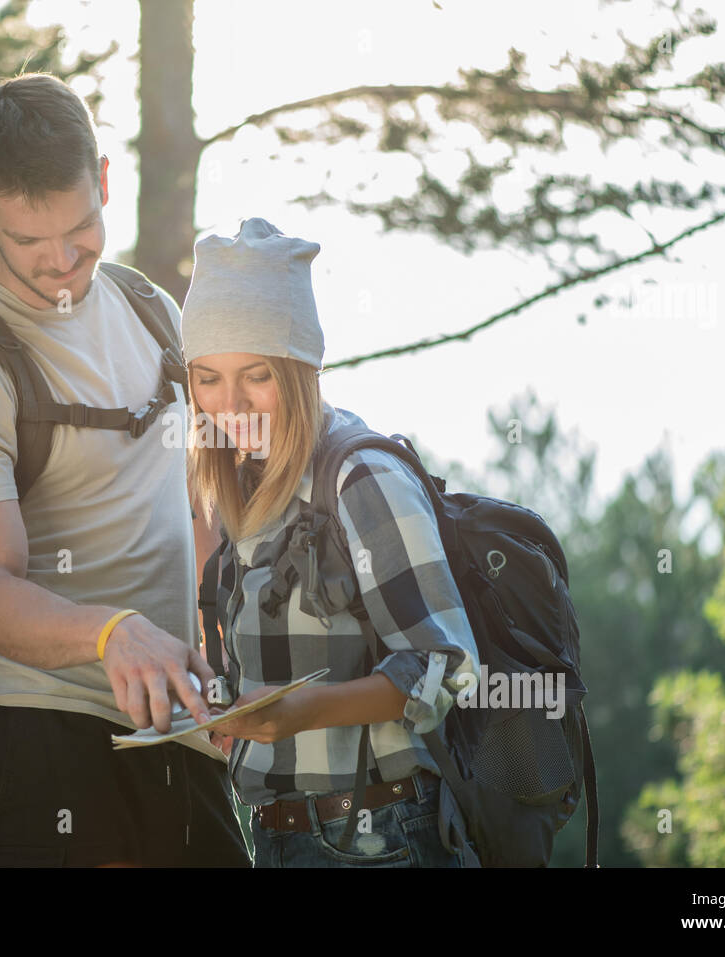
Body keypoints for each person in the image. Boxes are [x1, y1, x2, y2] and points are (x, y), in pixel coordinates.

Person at [0, 73, 249, 867]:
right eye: (29, 242)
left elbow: (196, 504)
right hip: (32, 738)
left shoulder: (152, 308)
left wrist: (223, 652)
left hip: (177, 734)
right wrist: (113, 631)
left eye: (81, 229)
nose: (61, 262)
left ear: (102, 180)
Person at [181, 217, 482, 867]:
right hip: (283, 838)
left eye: (255, 373)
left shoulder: (358, 475)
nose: (228, 402)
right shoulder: (240, 487)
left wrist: (306, 710)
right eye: (207, 377)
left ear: (298, 368)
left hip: (380, 838)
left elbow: (446, 663)